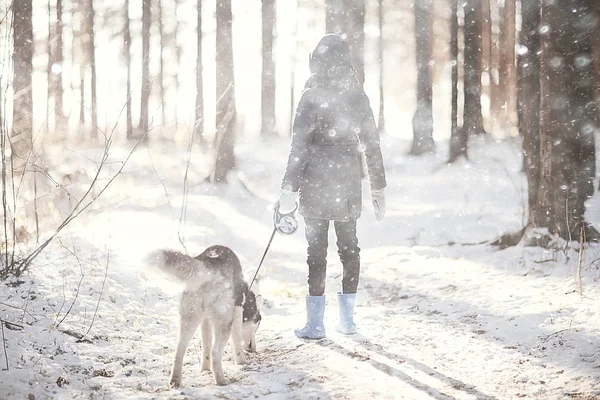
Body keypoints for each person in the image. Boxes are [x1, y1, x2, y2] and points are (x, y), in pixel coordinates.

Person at [277, 34, 386, 339]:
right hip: (347, 181)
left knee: (316, 252)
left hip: (315, 182)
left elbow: (298, 146)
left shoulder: (310, 95)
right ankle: (347, 321)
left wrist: (289, 187)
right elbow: (372, 143)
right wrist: (377, 185)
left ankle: (315, 324)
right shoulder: (357, 94)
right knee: (349, 248)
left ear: (316, 60)